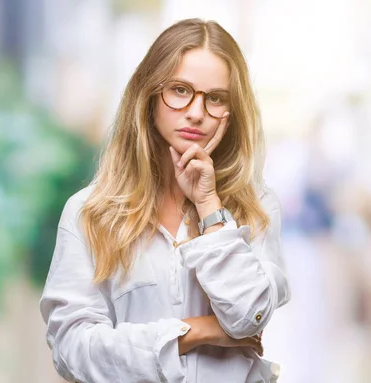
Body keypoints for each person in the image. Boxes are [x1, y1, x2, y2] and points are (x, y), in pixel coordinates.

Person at [39, 18, 291, 383]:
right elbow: (73, 351)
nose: (196, 112)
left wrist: (208, 205)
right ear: (149, 95)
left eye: (215, 98)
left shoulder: (258, 208)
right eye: (180, 90)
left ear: (232, 112)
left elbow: (247, 315)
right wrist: (192, 332)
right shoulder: (90, 212)